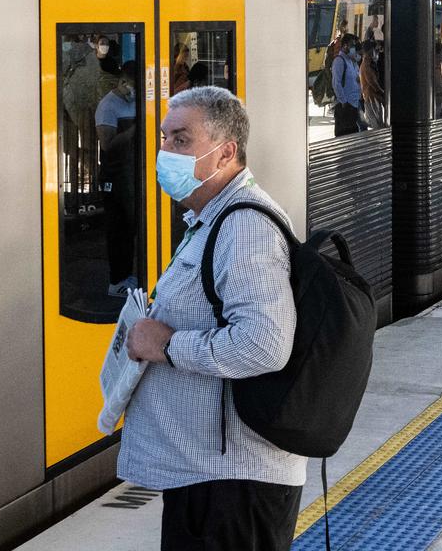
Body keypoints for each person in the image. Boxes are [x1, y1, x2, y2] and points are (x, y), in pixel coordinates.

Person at [120, 86, 305, 550]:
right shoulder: (211, 219)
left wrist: (165, 345)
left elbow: (263, 344)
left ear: (225, 153)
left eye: (181, 140)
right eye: (163, 138)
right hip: (208, 478)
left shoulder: (244, 227)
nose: (165, 152)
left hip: (233, 487)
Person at [95, 62, 138, 298]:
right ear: (121, 82)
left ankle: (125, 274)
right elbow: (108, 146)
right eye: (131, 85)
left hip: (131, 172)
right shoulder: (107, 107)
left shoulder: (134, 102)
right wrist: (134, 131)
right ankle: (116, 280)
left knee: (130, 227)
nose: (133, 91)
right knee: (117, 228)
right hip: (114, 174)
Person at [332, 34, 362, 137]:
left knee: (353, 138)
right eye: (352, 45)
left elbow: (357, 79)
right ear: (345, 46)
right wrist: (344, 102)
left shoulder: (352, 61)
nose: (354, 48)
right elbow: (336, 83)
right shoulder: (339, 61)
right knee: (344, 138)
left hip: (354, 105)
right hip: (345, 107)